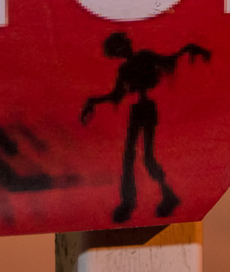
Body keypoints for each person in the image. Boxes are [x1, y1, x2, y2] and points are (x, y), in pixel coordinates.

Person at [81, 32, 211, 222]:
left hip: (146, 109)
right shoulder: (126, 68)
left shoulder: (143, 57)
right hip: (138, 110)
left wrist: (188, 49)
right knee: (131, 156)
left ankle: (161, 196)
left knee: (145, 157)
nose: (121, 51)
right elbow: (116, 95)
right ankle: (134, 201)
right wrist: (93, 101)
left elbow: (169, 60)